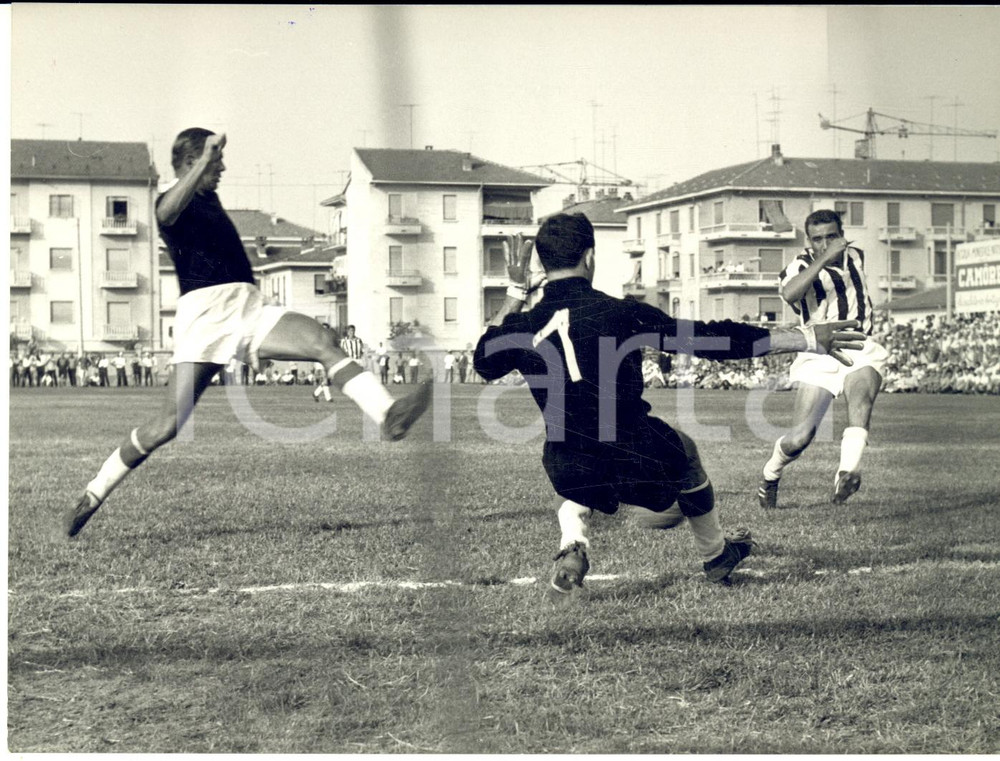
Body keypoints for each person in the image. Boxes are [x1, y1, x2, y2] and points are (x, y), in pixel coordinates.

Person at [65, 128, 431, 538]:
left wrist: (206, 164)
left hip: (250, 308)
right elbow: (166, 215)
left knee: (322, 341)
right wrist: (205, 159)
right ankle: (94, 493)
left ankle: (388, 415)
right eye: (213, 163)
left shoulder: (208, 196)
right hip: (204, 316)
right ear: (192, 162)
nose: (221, 169)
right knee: (168, 425)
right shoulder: (171, 199)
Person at [473, 213, 863, 594]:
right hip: (633, 454)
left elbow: (483, 362)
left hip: (565, 465)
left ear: (542, 262)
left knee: (578, 456)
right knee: (685, 452)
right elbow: (708, 339)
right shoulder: (619, 312)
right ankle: (716, 555)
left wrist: (516, 292)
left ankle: (573, 545)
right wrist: (805, 339)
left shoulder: (523, 326)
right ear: (590, 257)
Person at [757, 209, 888, 509]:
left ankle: (847, 473)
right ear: (809, 241)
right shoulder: (801, 264)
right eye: (817, 239)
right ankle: (771, 472)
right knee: (800, 438)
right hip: (819, 352)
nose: (824, 242)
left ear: (841, 234)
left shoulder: (857, 255)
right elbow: (790, 294)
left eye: (831, 236)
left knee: (861, 400)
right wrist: (823, 259)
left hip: (859, 345)